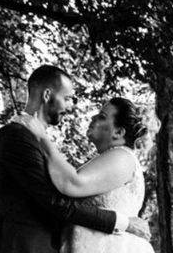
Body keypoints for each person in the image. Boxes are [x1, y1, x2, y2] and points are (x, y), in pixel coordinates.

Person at [0, 65, 150, 253]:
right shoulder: (17, 137)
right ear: (47, 95)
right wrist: (122, 222)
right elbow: (57, 203)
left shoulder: (36, 140)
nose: (70, 106)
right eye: (67, 98)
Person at [17, 96, 156, 253]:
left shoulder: (122, 156)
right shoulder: (112, 159)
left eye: (102, 117)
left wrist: (42, 138)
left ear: (118, 132)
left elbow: (71, 184)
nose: (92, 118)